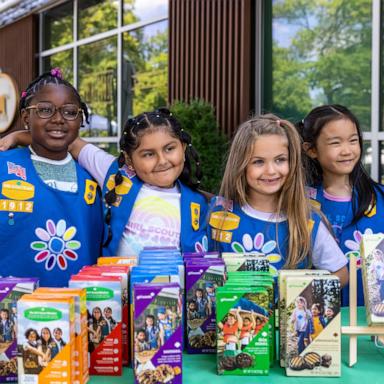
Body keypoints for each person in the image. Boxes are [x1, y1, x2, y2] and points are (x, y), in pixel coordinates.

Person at [209, 114, 348, 286]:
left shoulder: (307, 221)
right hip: (236, 313)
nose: (271, 170)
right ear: (240, 164)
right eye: (258, 162)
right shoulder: (219, 215)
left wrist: (303, 295)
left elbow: (340, 273)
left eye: (280, 160)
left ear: (292, 162)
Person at [0, 69, 103, 287]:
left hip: (75, 311)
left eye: (69, 111)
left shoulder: (93, 179)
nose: (58, 119)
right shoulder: (4, 167)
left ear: (80, 119)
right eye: (45, 110)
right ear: (26, 117)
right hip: (11, 310)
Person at [69, 108, 209, 256]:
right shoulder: (116, 176)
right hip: (118, 278)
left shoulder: (198, 203)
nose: (162, 161)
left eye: (169, 149)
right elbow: (72, 142)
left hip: (173, 279)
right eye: (148, 154)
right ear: (129, 159)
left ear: (183, 147)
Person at [297, 104, 384, 305]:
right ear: (311, 149)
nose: (347, 150)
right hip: (321, 322)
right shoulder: (300, 202)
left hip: (373, 325)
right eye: (335, 143)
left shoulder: (380, 198)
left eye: (353, 141)